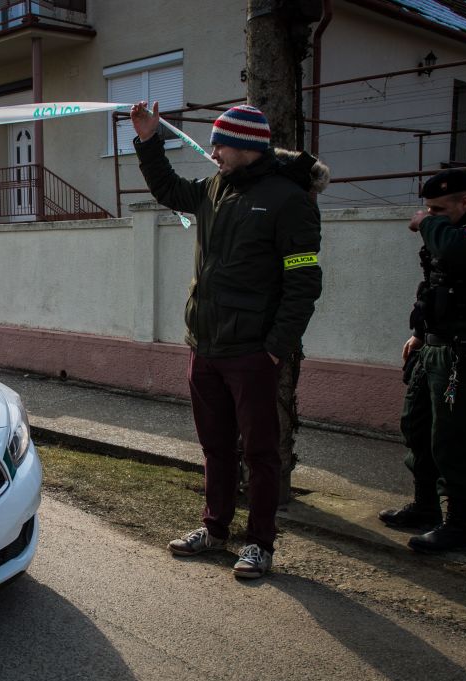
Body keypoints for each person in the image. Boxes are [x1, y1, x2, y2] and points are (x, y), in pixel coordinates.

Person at [130, 101, 323, 578]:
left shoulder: (288, 199)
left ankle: (260, 543)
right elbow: (169, 189)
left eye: (221, 143)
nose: (212, 151)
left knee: (259, 452)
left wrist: (276, 345)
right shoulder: (216, 188)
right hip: (206, 344)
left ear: (248, 147)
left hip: (253, 352)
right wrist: (149, 139)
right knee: (215, 446)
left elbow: (304, 281)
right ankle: (215, 529)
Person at [379, 170, 466, 552]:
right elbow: (436, 286)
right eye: (428, 209)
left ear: (465, 202)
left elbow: (456, 250)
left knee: (453, 438)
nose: (432, 215)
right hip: (434, 348)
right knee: (417, 427)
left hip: (464, 354)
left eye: (440, 209)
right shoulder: (449, 232)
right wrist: (420, 334)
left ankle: (457, 525)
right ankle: (425, 508)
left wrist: (428, 223)